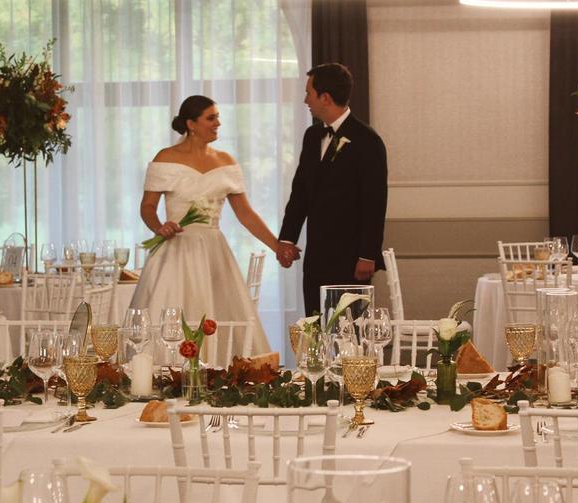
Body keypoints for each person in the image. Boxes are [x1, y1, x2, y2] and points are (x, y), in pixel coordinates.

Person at [128, 95, 274, 354]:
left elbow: (246, 214)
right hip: (176, 249)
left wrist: (278, 246)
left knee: (217, 310)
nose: (218, 123)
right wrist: (159, 227)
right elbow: (147, 207)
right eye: (211, 117)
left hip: (213, 252)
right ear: (191, 124)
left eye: (217, 117)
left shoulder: (226, 161)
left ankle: (218, 373)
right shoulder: (166, 157)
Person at [277, 63, 388, 316]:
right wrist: (287, 239)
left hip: (352, 258)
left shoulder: (367, 140)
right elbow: (301, 191)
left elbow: (375, 201)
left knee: (349, 330)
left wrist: (368, 255)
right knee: (315, 326)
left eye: (308, 93)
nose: (306, 100)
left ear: (325, 98)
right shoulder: (312, 136)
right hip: (316, 254)